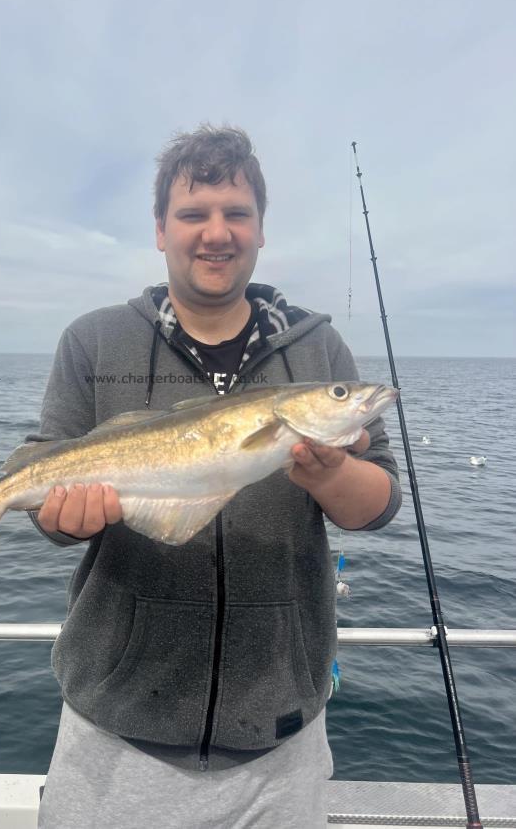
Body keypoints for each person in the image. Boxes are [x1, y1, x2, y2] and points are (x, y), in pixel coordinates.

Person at [32, 125, 401, 828]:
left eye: (236, 213)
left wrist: (329, 474)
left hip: (278, 736)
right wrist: (52, 515)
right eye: (193, 214)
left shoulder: (317, 347)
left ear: (260, 231)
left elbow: (376, 503)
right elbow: (48, 489)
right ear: (160, 230)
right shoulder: (94, 339)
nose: (215, 233)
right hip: (114, 729)